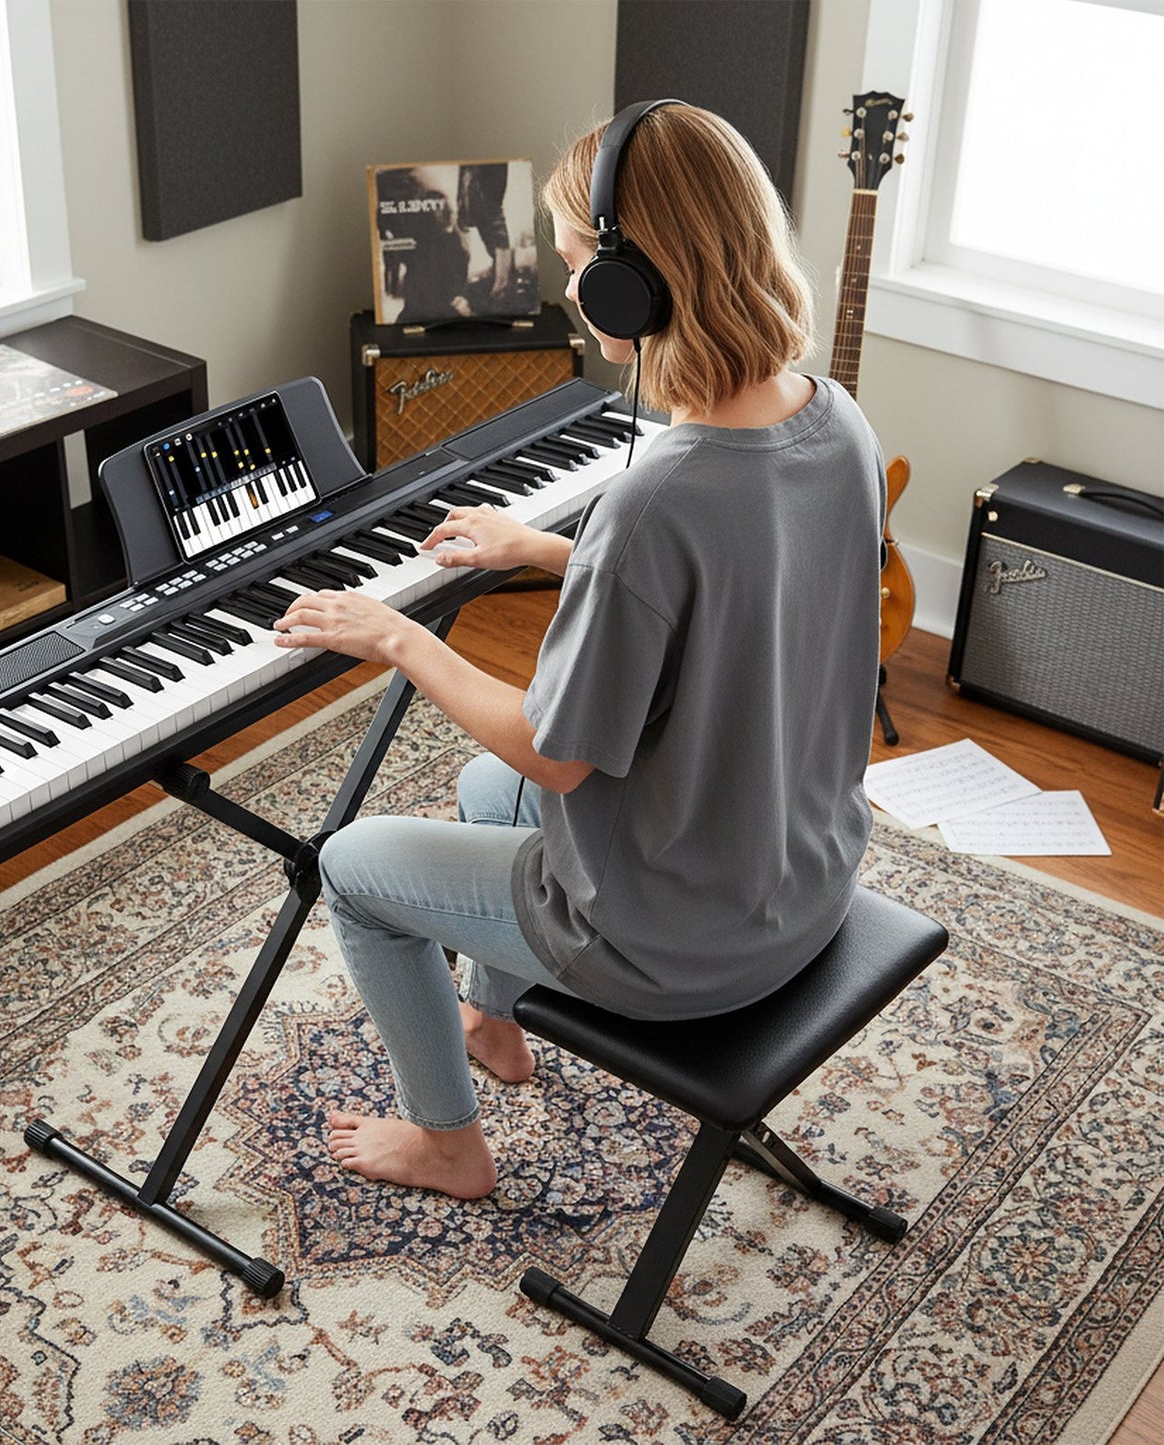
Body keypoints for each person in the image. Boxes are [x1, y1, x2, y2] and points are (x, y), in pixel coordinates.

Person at [273, 101, 887, 1200]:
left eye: (575, 265)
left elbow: (558, 754)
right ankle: (492, 1024)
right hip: (802, 883)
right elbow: (744, 591)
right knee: (480, 785)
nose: (571, 289)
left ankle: (446, 1144)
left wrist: (398, 635)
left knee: (350, 864)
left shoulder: (658, 495)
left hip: (678, 946)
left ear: (635, 284)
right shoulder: (836, 420)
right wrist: (556, 552)